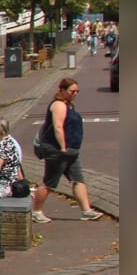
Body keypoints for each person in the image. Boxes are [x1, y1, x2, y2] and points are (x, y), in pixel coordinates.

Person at [30, 76, 102, 222]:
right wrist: (62, 147)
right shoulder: (58, 105)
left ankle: (86, 211)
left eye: (77, 92)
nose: (74, 94)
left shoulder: (68, 105)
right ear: (62, 90)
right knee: (49, 182)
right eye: (71, 91)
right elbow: (58, 126)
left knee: (78, 179)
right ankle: (36, 212)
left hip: (72, 150)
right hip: (58, 150)